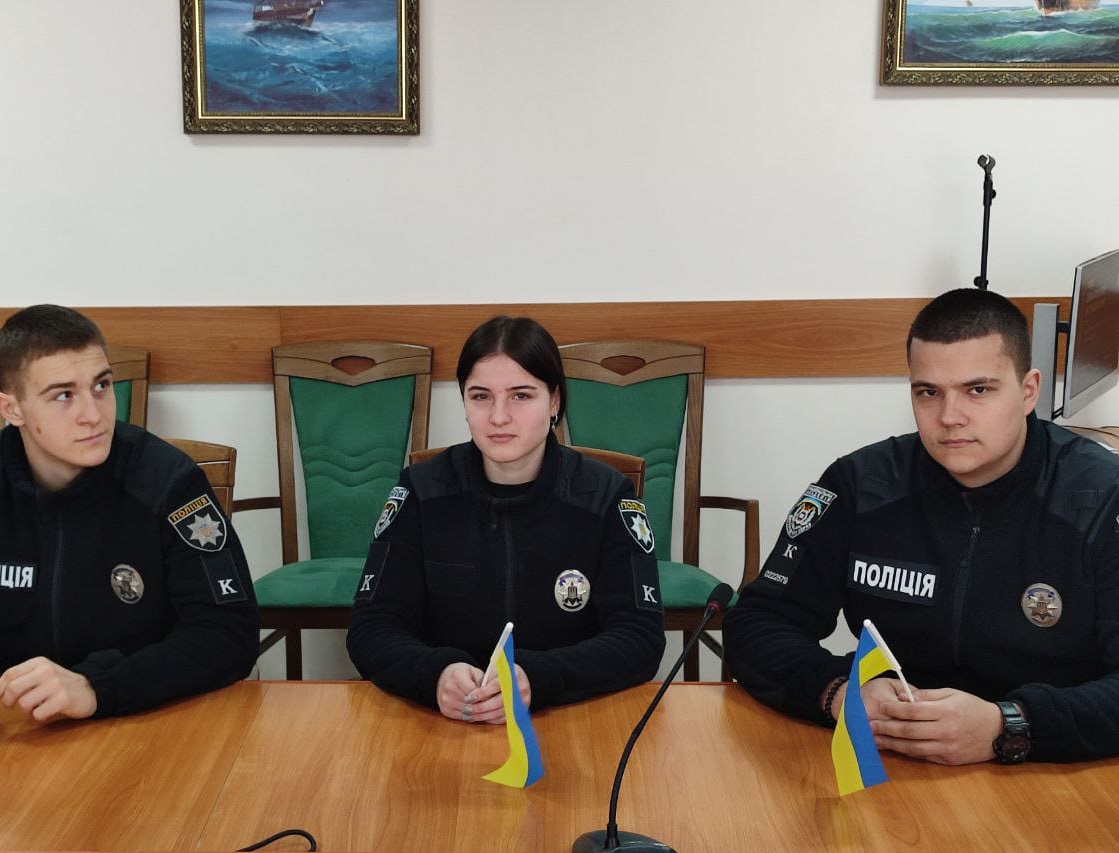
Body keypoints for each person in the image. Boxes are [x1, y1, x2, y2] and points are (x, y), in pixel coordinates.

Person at [724, 287, 1119, 765]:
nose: (949, 417)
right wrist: (839, 692)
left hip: (1059, 769)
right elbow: (758, 622)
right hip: (896, 758)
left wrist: (1011, 726)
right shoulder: (860, 485)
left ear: (1028, 391)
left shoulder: (1102, 496)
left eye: (978, 390)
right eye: (928, 392)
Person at [0, 305, 258, 722]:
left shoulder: (168, 481)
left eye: (101, 386)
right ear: (11, 408)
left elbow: (228, 632)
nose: (93, 415)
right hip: (24, 719)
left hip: (151, 709)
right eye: (63, 395)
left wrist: (96, 687)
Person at [346, 315, 666, 722]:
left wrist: (540, 678)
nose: (498, 417)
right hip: (442, 720)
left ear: (554, 401)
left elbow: (640, 637)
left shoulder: (605, 495)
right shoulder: (421, 490)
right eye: (480, 396)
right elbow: (372, 627)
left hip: (569, 716)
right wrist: (434, 674)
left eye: (521, 396)